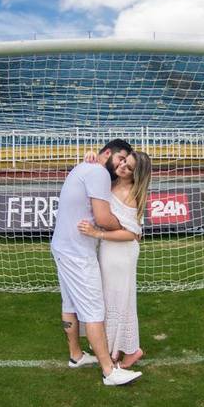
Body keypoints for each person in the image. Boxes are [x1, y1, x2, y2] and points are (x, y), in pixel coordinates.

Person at [50, 139, 143, 386]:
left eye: (126, 163)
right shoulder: (99, 172)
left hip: (62, 246)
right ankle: (109, 372)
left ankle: (76, 355)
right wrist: (126, 227)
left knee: (70, 303)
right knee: (93, 310)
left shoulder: (85, 166)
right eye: (121, 158)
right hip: (78, 252)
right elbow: (102, 218)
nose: (121, 164)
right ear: (108, 153)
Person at [78, 151, 151, 369]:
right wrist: (91, 158)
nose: (122, 166)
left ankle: (131, 350)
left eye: (129, 167)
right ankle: (114, 349)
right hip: (109, 251)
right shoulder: (111, 182)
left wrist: (96, 233)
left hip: (122, 254)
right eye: (124, 161)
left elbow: (131, 234)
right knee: (109, 299)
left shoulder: (130, 194)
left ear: (136, 174)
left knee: (120, 302)